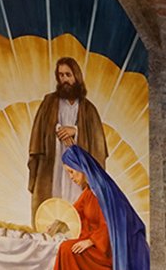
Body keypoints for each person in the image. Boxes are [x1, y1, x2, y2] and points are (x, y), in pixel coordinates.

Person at [29, 145, 150, 270]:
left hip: (110, 250)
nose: (71, 177)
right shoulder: (88, 192)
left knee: (68, 249)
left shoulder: (103, 191)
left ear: (82, 168)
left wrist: (91, 241)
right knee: (65, 248)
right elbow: (74, 214)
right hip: (96, 244)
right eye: (68, 173)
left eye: (72, 172)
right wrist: (57, 224)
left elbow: (114, 225)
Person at [28, 57, 108, 221]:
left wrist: (76, 131)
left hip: (78, 167)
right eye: (61, 75)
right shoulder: (49, 102)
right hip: (53, 163)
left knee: (76, 204)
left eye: (68, 75)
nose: (64, 79)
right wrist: (57, 130)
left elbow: (98, 144)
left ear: (76, 76)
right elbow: (38, 134)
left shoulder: (88, 109)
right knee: (53, 200)